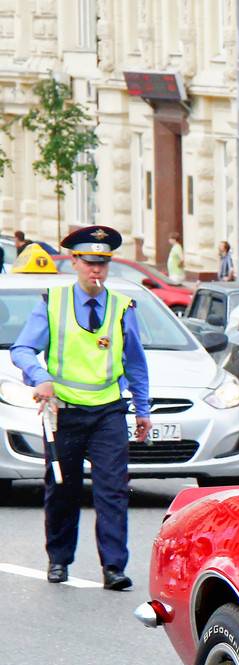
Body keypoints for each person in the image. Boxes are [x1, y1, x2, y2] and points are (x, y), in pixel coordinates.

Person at [8, 225, 151, 590]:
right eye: (89, 263)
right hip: (64, 412)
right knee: (62, 489)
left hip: (108, 412)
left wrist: (143, 410)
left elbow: (135, 363)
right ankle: (59, 560)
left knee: (113, 490)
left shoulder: (122, 307)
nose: (96, 271)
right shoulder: (52, 303)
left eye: (102, 264)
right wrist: (39, 376)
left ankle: (114, 568)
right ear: (74, 262)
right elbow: (22, 349)